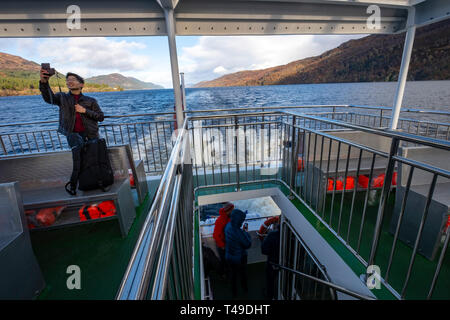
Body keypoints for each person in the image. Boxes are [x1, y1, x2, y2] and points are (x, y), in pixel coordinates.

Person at [39, 68, 104, 149]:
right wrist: (44, 82)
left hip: (91, 135)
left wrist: (85, 111)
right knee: (78, 160)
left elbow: (100, 117)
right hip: (73, 136)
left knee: (94, 159)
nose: (69, 81)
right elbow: (49, 98)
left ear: (81, 84)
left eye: (73, 79)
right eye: (67, 80)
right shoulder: (62, 97)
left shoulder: (91, 100)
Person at [224, 209, 251, 297]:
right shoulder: (239, 232)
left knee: (233, 275)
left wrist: (242, 232)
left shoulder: (228, 225)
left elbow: (234, 236)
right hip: (239, 258)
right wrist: (246, 233)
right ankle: (245, 289)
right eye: (242, 220)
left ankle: (234, 293)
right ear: (239, 221)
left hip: (229, 256)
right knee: (243, 274)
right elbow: (247, 244)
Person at [212, 202, 234, 277]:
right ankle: (224, 274)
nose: (233, 211)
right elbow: (215, 235)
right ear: (228, 211)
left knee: (229, 260)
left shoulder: (230, 218)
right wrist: (222, 246)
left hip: (228, 243)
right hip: (222, 245)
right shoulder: (220, 220)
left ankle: (229, 273)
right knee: (224, 261)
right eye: (232, 210)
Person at [261, 219, 280, 300]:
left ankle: (269, 296)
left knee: (270, 280)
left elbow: (264, 250)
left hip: (272, 262)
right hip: (288, 263)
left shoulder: (272, 235)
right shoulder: (292, 234)